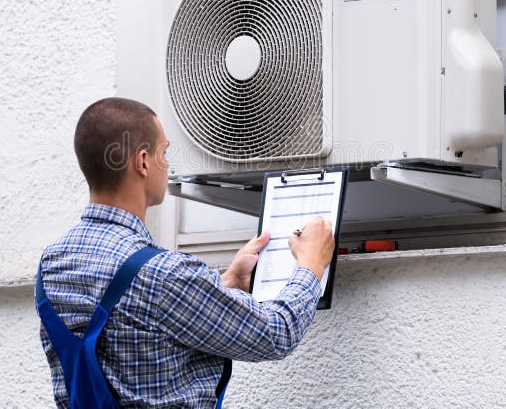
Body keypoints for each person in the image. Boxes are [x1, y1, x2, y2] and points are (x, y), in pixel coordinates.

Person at [37, 97, 335, 408]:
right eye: (163, 152)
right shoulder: (165, 275)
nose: (168, 163)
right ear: (142, 162)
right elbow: (276, 334)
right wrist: (311, 265)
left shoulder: (53, 264)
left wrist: (227, 282)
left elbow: (136, 323)